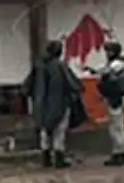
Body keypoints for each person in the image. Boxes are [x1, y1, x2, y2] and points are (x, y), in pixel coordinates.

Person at [27, 39, 83, 168]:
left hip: (41, 104)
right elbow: (73, 84)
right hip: (59, 103)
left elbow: (28, 85)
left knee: (44, 131)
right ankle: (59, 159)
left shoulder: (39, 65)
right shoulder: (60, 66)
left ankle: (46, 158)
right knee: (59, 130)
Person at [94, 40, 124, 167]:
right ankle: (122, 151)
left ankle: (119, 153)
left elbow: (107, 74)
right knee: (117, 127)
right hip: (115, 98)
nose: (107, 53)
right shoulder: (118, 63)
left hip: (116, 99)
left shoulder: (118, 64)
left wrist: (98, 74)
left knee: (116, 128)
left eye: (109, 51)